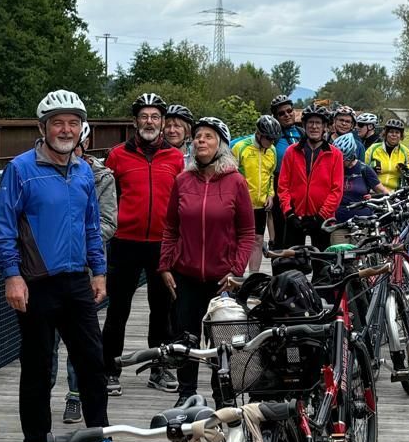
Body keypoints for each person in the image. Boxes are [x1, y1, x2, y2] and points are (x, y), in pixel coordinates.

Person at [0, 90, 126, 442]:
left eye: (72, 123)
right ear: (43, 128)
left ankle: (99, 438)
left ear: (80, 128)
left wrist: (98, 270)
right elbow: (2, 228)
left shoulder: (84, 171)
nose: (65, 129)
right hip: (35, 282)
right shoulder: (20, 169)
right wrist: (12, 276)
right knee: (37, 366)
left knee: (92, 361)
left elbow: (90, 226)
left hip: (76, 281)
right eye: (57, 123)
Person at [160, 118, 258, 401]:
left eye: (209, 137)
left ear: (221, 146)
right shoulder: (182, 180)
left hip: (221, 278)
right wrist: (165, 265)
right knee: (185, 338)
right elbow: (171, 227)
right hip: (185, 274)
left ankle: (222, 395)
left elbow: (246, 231)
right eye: (198, 137)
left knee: (223, 343)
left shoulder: (235, 182)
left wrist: (236, 270)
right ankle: (186, 393)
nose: (200, 141)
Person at [102, 93, 185, 395]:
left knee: (161, 309)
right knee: (117, 310)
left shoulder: (175, 158)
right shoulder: (117, 155)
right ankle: (109, 369)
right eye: (144, 116)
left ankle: (159, 368)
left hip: (161, 244)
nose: (149, 122)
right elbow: (108, 199)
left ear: (163, 123)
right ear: (135, 121)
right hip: (125, 241)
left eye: (155, 117)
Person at [54, 121, 117, 424]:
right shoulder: (38, 171)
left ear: (85, 144)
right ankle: (42, 398)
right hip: (47, 268)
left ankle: (75, 396)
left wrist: (73, 238)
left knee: (81, 340)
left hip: (84, 267)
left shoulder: (101, 177)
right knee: (48, 340)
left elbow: (106, 222)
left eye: (78, 143)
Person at [277, 105, 343, 250]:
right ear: (305, 125)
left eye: (318, 123)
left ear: (325, 126)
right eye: (310, 122)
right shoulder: (292, 151)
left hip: (322, 219)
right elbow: (283, 186)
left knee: (322, 267)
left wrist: (321, 216)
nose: (314, 127)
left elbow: (336, 190)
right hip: (295, 217)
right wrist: (289, 213)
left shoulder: (335, 154)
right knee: (292, 267)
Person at [230, 113, 280, 274]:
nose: (272, 142)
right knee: (238, 241)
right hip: (240, 204)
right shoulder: (240, 147)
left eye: (274, 139)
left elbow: (270, 175)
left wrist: (270, 195)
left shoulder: (271, 150)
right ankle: (236, 275)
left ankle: (253, 278)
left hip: (260, 204)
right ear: (259, 134)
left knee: (258, 240)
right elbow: (229, 175)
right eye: (269, 139)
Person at [266, 94, 304, 249]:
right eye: (282, 113)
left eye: (289, 111)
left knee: (298, 227)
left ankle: (299, 267)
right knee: (280, 226)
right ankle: (279, 265)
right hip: (278, 182)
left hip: (300, 184)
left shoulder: (302, 133)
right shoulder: (272, 136)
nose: (287, 115)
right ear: (275, 116)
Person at [333, 131, 388, 225]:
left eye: (342, 159)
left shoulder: (364, 169)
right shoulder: (333, 168)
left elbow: (384, 192)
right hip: (339, 220)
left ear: (351, 156)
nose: (338, 162)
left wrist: (373, 197)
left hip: (362, 221)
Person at [367, 117, 409, 191]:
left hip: (395, 193)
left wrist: (406, 167)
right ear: (385, 134)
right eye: (391, 132)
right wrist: (371, 170)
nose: (394, 135)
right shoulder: (374, 148)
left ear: (401, 136)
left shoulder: (404, 150)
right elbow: (361, 166)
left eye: (397, 132)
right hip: (374, 192)